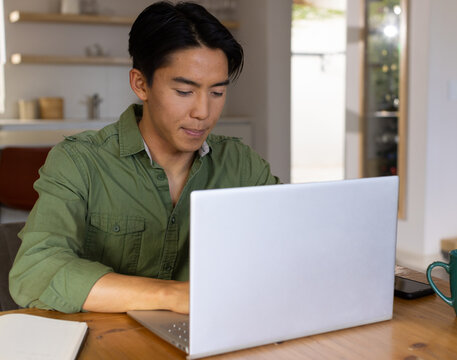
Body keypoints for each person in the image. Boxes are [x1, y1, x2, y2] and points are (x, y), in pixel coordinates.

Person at [9, 1, 279, 314]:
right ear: (141, 84)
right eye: (184, 92)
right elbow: (34, 273)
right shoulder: (79, 161)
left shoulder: (240, 163)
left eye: (217, 93)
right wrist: (172, 296)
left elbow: (292, 242)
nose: (203, 113)